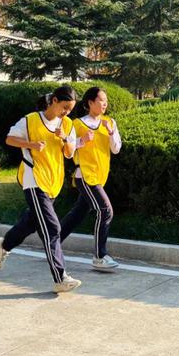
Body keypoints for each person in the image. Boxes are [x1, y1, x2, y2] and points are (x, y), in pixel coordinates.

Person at [0, 85, 82, 293]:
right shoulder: (31, 120)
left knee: (30, 223)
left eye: (70, 109)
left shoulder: (67, 124)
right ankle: (60, 278)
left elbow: (69, 153)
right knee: (52, 228)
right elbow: (9, 139)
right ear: (54, 101)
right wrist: (31, 144)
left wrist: (64, 138)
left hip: (53, 182)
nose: (66, 112)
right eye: (64, 107)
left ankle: (4, 245)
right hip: (33, 180)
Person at [60, 87, 122, 270]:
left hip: (100, 176)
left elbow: (116, 149)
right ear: (90, 103)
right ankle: (99, 257)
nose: (105, 104)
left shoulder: (110, 122)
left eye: (106, 101)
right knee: (106, 211)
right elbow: (68, 151)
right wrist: (82, 141)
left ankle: (52, 243)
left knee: (78, 213)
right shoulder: (77, 124)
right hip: (85, 175)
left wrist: (111, 133)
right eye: (101, 100)